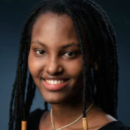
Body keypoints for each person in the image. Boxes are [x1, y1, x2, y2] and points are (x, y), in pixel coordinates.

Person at [8, 0, 130, 130]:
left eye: (69, 53)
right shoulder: (30, 123)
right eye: (41, 51)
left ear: (94, 59)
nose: (52, 68)